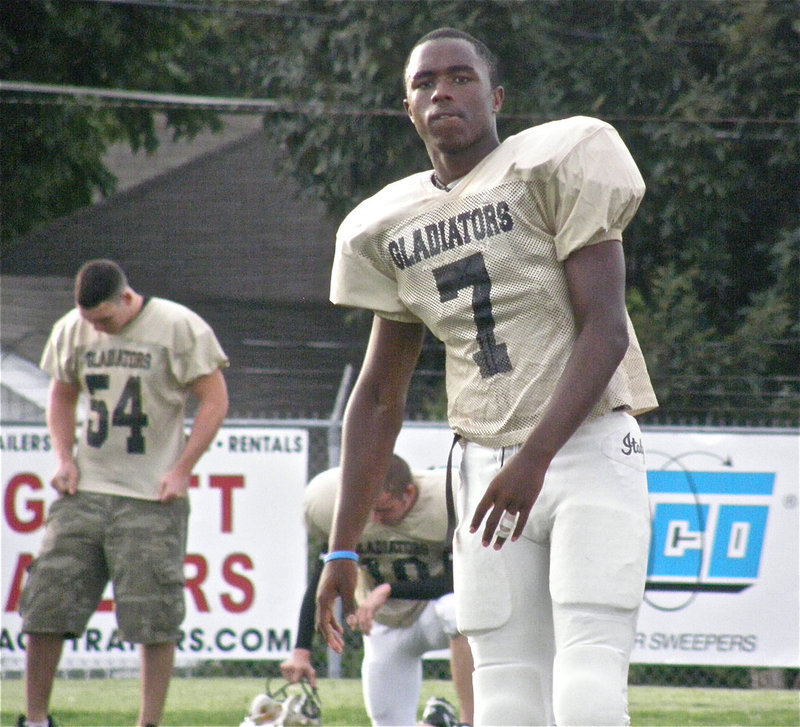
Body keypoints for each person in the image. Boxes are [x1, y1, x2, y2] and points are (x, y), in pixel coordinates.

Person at [315, 27, 658, 727]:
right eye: (424, 82)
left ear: (496, 96)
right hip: (482, 467)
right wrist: (343, 546)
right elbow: (379, 394)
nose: (442, 90)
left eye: (461, 76)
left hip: (583, 448)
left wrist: (535, 458)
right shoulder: (391, 223)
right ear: (406, 107)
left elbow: (606, 328)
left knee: (587, 681)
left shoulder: (554, 164)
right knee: (503, 694)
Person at [17, 259, 229, 727]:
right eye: (90, 320)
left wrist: (182, 469)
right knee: (45, 605)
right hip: (84, 490)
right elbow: (61, 393)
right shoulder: (74, 328)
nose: (97, 328)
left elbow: (215, 399)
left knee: (153, 619)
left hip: (150, 497)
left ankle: (147, 723)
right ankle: (35, 719)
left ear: (127, 298)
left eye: (105, 319)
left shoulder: (178, 326)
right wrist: (64, 457)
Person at [281, 455, 474, 726]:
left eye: (383, 510)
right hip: (384, 622)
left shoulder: (449, 499)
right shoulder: (340, 505)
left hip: (434, 611)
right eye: (367, 510)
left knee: (458, 609)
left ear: (408, 493)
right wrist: (301, 651)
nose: (374, 519)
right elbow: (322, 580)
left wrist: (388, 589)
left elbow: (466, 581)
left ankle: (469, 721)